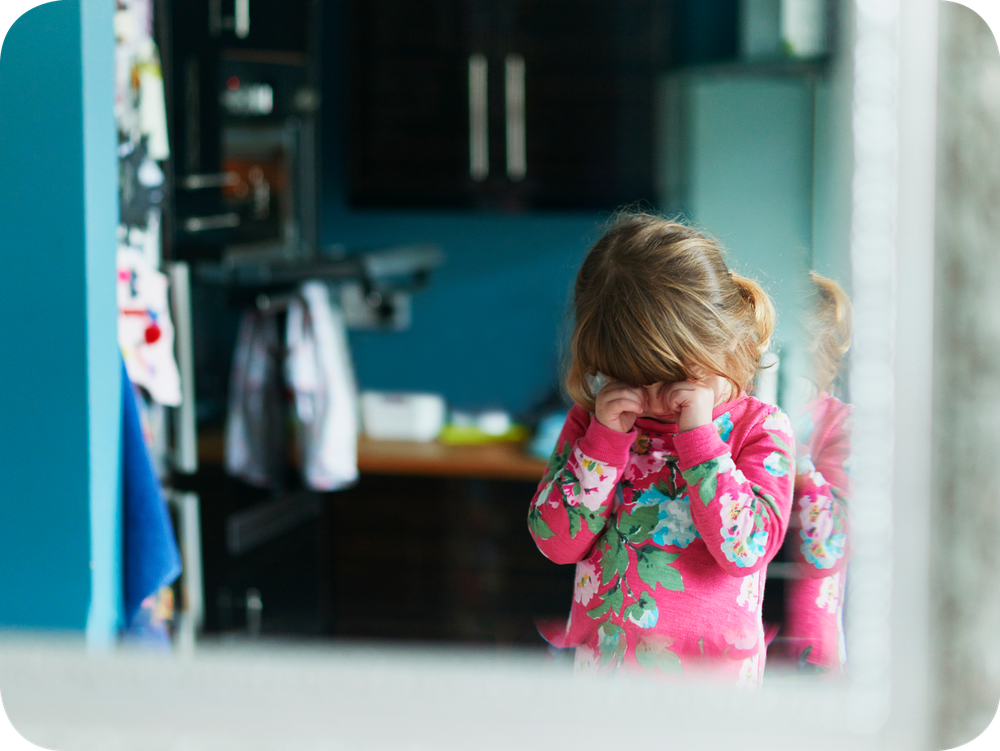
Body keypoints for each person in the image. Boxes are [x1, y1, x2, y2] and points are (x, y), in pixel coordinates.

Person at [528, 213, 795, 686]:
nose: (652, 398)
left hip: (713, 690)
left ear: (722, 341)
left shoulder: (760, 428)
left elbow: (745, 551)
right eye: (629, 376)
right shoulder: (592, 425)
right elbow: (556, 543)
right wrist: (604, 444)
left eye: (673, 375)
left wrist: (699, 441)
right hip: (603, 682)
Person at [773, 272, 853, 675]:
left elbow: (831, 546)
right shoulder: (741, 411)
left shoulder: (842, 426)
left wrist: (795, 465)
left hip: (805, 642)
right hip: (733, 627)